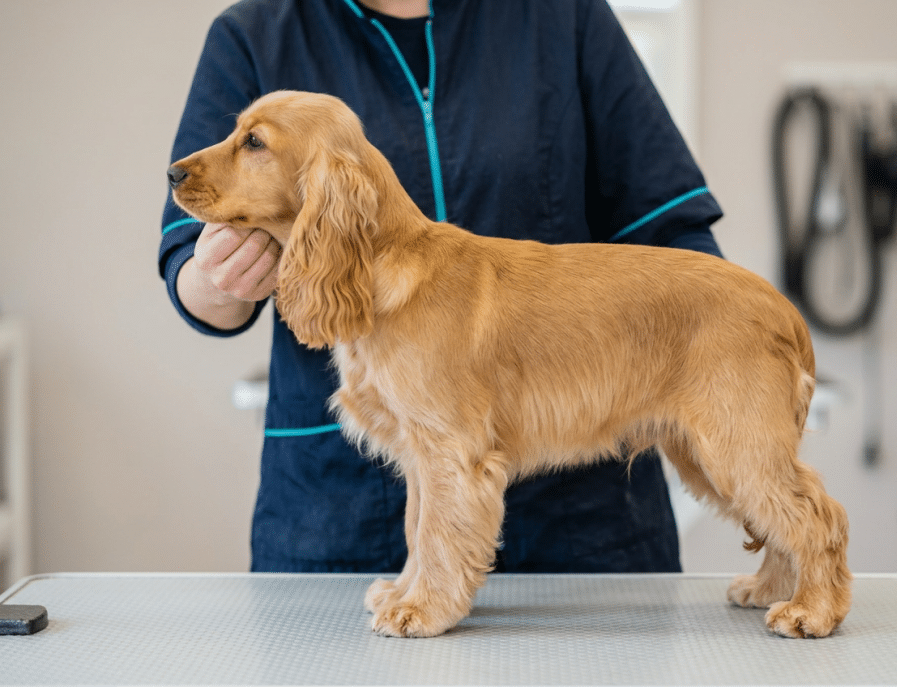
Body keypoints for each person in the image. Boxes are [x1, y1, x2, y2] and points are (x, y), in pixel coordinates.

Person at [159, 0, 724, 574]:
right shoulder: (254, 32)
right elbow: (188, 261)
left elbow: (671, 226)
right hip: (342, 520)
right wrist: (222, 278)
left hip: (582, 515)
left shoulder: (564, 14)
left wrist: (721, 364)